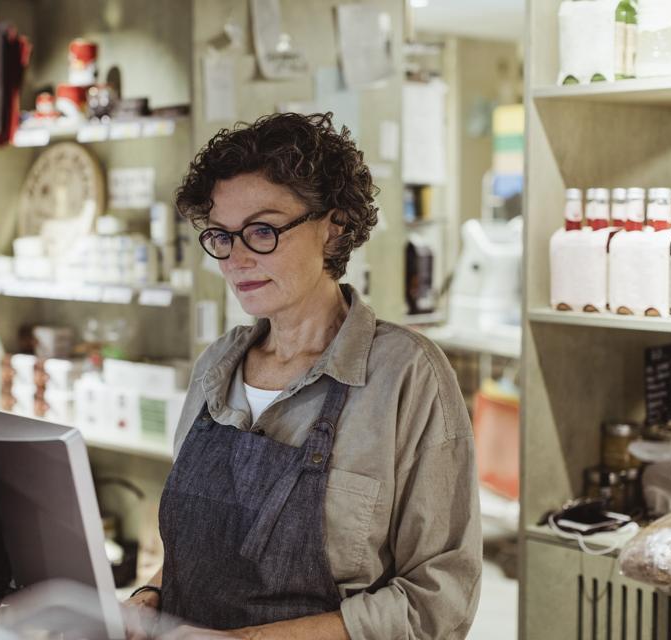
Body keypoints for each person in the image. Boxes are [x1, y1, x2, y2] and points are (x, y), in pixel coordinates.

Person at [123, 112, 481, 640]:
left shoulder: (405, 375)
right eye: (222, 236)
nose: (237, 258)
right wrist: (149, 594)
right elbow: (201, 552)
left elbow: (439, 601)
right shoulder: (215, 367)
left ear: (332, 226)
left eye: (262, 231)